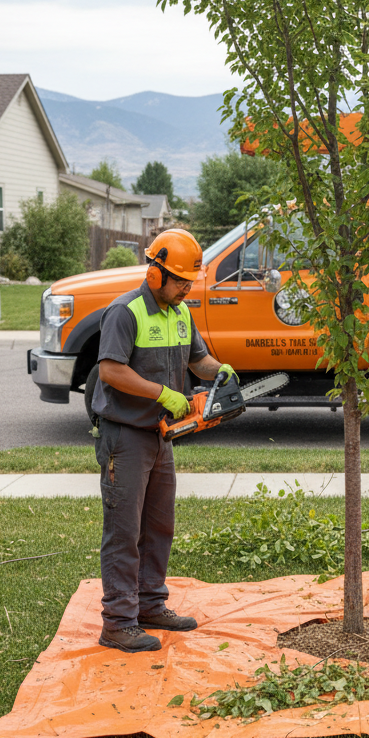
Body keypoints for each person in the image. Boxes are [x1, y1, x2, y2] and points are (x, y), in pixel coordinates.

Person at [90, 229, 237, 653]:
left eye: (191, 281)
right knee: (124, 530)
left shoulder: (181, 312)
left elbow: (198, 360)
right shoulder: (126, 312)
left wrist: (219, 370)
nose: (187, 288)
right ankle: (118, 622)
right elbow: (111, 371)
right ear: (155, 274)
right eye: (180, 281)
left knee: (158, 526)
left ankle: (150, 604)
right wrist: (164, 394)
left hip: (162, 437)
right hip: (126, 435)